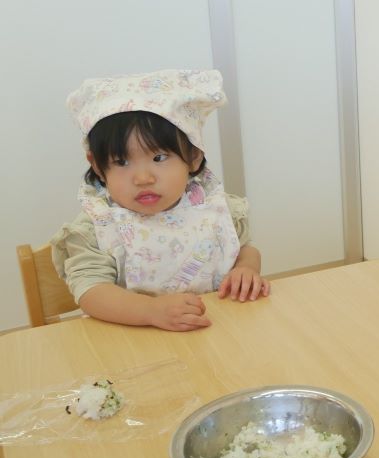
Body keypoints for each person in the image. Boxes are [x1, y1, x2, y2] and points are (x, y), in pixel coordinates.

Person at [51, 69, 269, 332]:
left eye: (159, 158)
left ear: (194, 156)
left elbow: (243, 249)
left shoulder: (212, 207)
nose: (143, 178)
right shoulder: (96, 227)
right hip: (133, 342)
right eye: (121, 162)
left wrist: (246, 269)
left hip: (215, 332)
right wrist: (150, 311)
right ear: (97, 166)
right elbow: (91, 292)